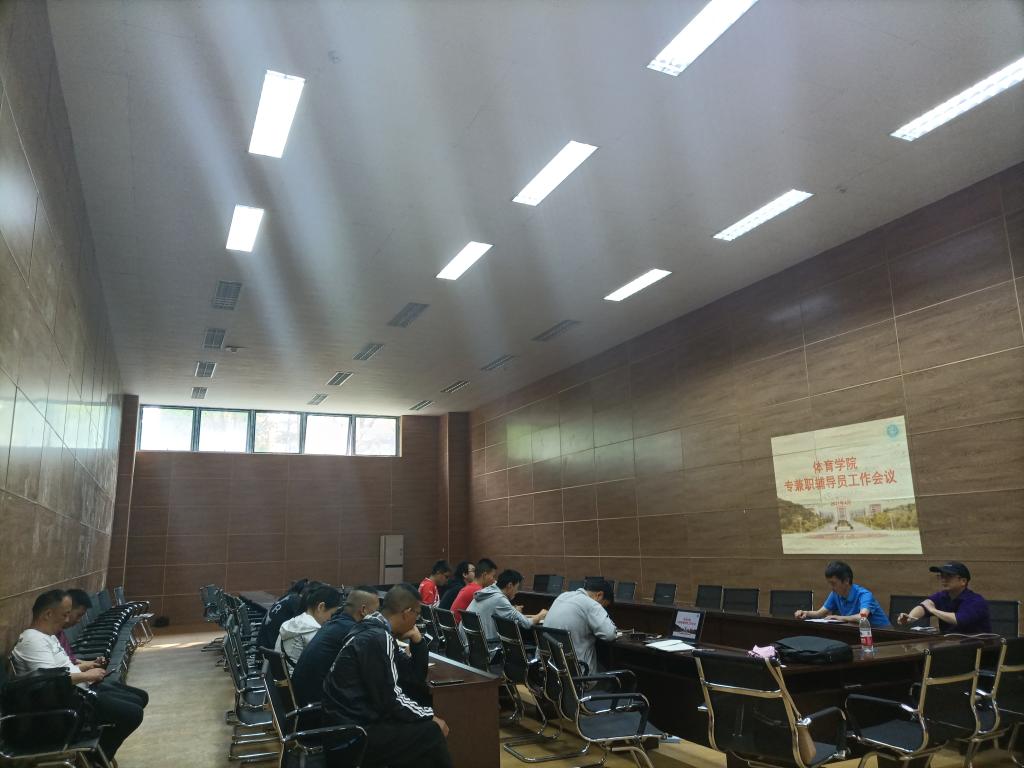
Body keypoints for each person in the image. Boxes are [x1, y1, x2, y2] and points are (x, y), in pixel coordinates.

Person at [322, 584, 452, 768]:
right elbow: (391, 700)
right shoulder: (377, 638)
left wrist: (417, 641)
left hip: (346, 724)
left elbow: (413, 676)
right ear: (407, 612)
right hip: (352, 735)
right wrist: (429, 715)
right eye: (417, 614)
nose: (417, 620)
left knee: (419, 727)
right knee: (431, 732)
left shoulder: (371, 629)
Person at [11, 590, 145, 761]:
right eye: (65, 614)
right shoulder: (32, 641)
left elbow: (63, 669)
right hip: (68, 706)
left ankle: (97, 755)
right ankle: (95, 759)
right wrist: (87, 676)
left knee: (139, 698)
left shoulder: (48, 636)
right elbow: (52, 680)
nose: (68, 620)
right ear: (48, 614)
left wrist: (87, 669)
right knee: (133, 714)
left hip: (79, 692)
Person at [291, 586, 380, 707]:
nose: (379, 616)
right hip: (318, 706)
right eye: (376, 611)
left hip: (302, 699)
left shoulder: (334, 624)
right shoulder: (353, 632)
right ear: (363, 610)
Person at [62, 589, 149, 706]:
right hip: (79, 689)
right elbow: (57, 676)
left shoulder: (58, 634)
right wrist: (88, 672)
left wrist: (92, 663)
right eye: (78, 615)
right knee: (134, 707)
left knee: (141, 696)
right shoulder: (44, 639)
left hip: (85, 682)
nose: (77, 621)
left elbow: (71, 661)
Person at [543, 577, 616, 674]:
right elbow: (610, 635)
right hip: (577, 672)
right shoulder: (592, 604)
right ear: (599, 595)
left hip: (549, 668)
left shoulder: (563, 596)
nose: (602, 609)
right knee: (611, 672)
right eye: (604, 606)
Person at [897, 562, 991, 634]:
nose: (943, 579)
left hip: (977, 648)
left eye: (949, 576)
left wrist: (933, 610)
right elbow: (924, 606)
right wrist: (910, 617)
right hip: (949, 645)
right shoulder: (942, 595)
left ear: (963, 581)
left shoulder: (976, 601)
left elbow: (958, 620)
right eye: (942, 576)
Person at [794, 560, 890, 627]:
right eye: (829, 583)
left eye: (833, 583)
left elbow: (862, 617)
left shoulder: (865, 595)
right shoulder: (835, 593)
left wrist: (838, 617)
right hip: (858, 633)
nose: (831, 587)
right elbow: (819, 613)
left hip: (884, 635)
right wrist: (805, 613)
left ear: (846, 581)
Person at [466, 569, 547, 643]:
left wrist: (530, 616)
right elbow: (526, 624)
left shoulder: (488, 591)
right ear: (510, 585)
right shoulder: (499, 598)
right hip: (487, 645)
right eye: (517, 587)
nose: (517, 591)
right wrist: (540, 616)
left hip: (470, 643)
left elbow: (512, 615)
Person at [275, 585, 343, 667]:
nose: (330, 619)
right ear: (321, 607)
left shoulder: (291, 623)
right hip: (298, 674)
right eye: (331, 614)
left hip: (282, 674)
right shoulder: (313, 631)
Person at [257, 579, 323, 651]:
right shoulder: (297, 602)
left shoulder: (290, 597)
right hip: (271, 650)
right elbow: (307, 628)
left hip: (264, 646)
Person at [450, 558, 497, 624]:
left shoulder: (470, 587)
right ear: (484, 575)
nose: (494, 580)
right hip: (460, 628)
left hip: (453, 626)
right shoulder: (478, 591)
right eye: (493, 576)